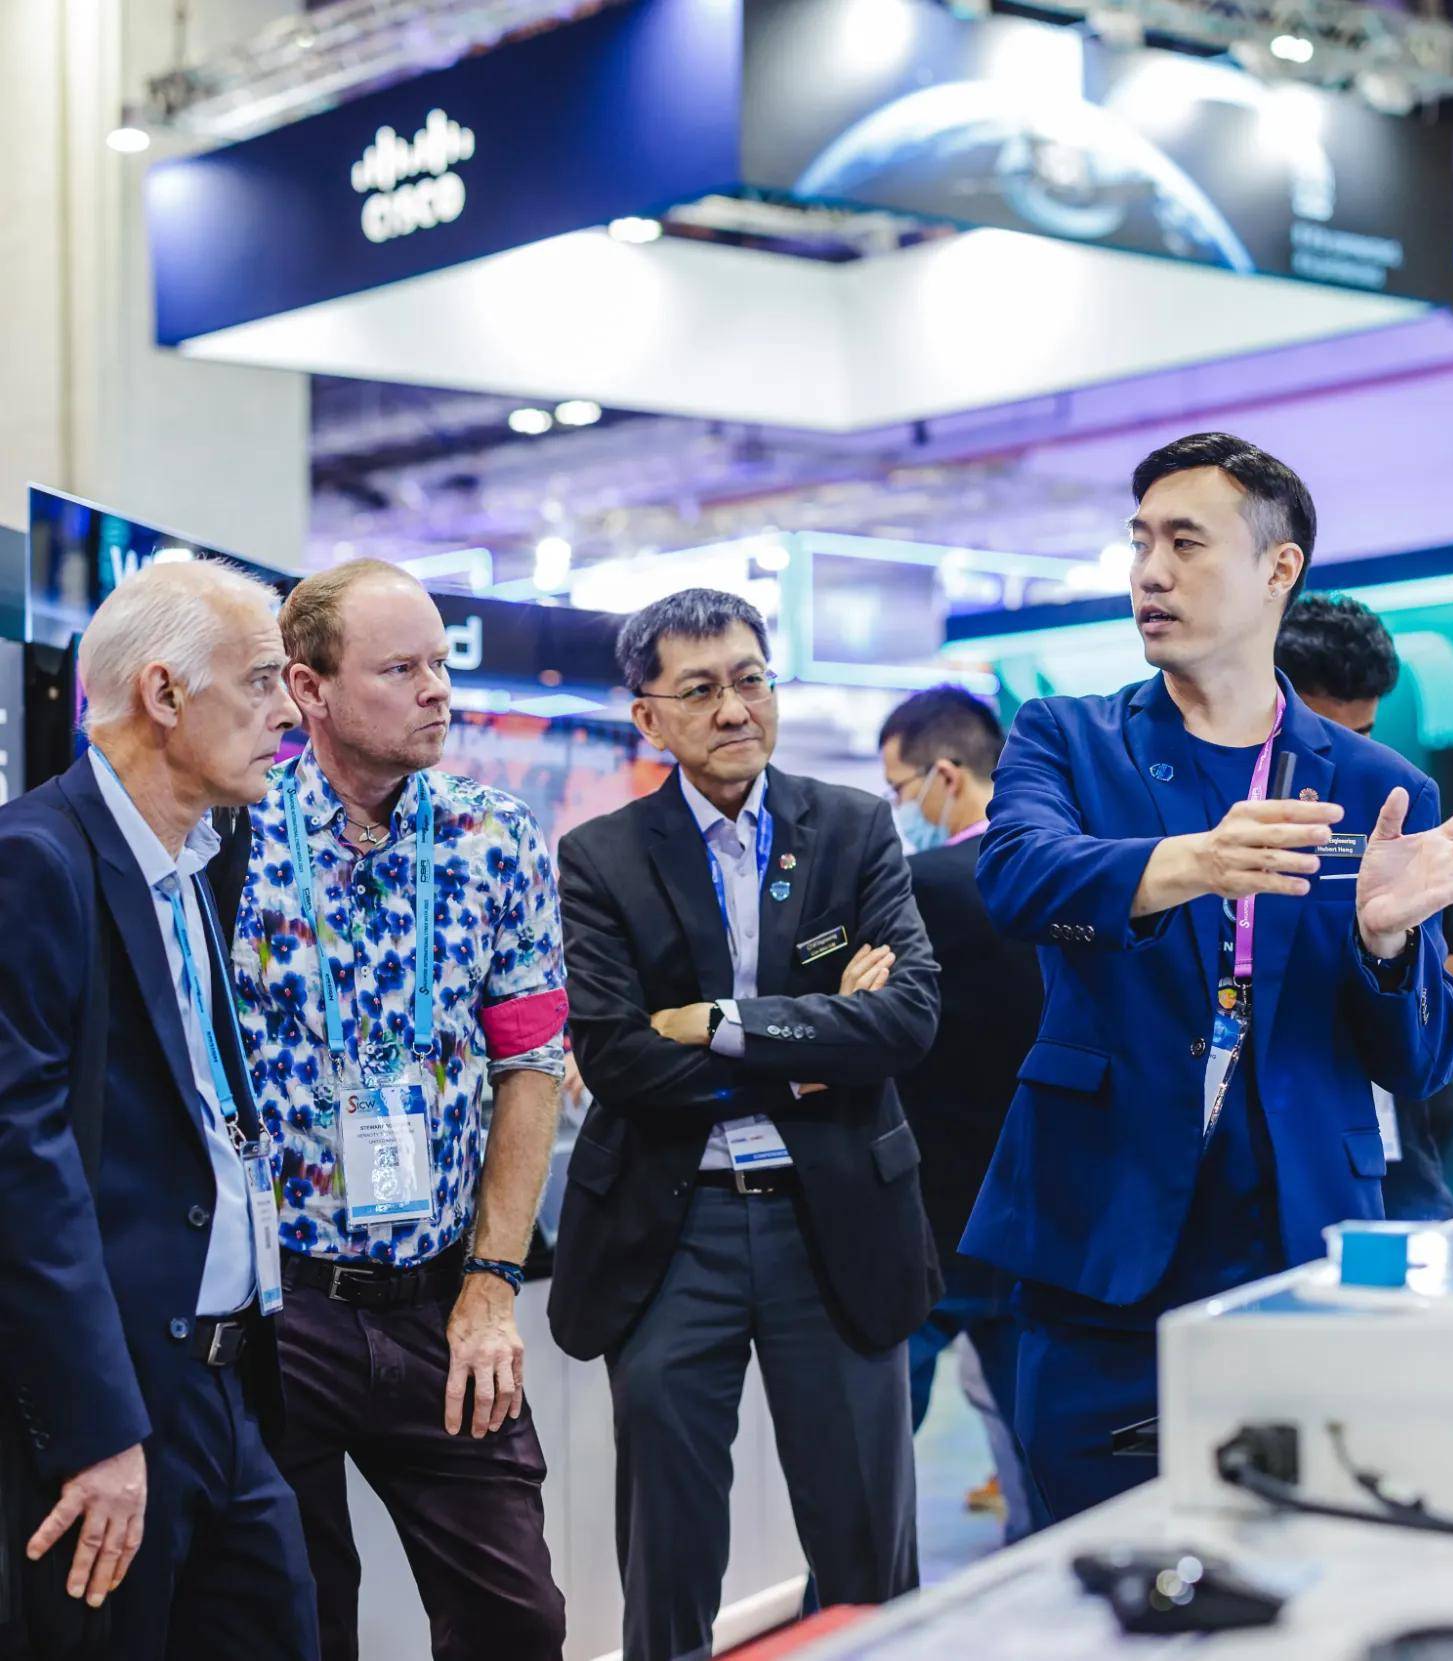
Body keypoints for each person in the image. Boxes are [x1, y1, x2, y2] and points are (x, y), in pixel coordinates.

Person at [964, 432, 1453, 1522]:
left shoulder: (1375, 783)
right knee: (1097, 1569)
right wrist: (1192, 863)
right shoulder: (1068, 739)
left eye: (1184, 541)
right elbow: (1015, 877)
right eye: (1138, 544)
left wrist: (1388, 947)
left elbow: (1417, 1061)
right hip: (1104, 1241)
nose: (1149, 572)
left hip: (1296, 1241)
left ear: (1278, 568)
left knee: (1303, 1563)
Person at [551, 590, 941, 1661]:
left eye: (750, 678)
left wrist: (727, 1024)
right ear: (650, 718)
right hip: (676, 1231)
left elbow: (906, 1017)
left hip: (838, 1224)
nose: (733, 708)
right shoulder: (601, 859)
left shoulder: (854, 827)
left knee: (866, 1546)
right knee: (668, 1556)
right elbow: (618, 1058)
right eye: (701, 688)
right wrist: (816, 1056)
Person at [225, 560, 570, 1660]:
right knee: (297, 1618)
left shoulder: (495, 839)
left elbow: (529, 1067)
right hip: (278, 1307)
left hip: (441, 1298)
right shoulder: (232, 843)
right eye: (401, 667)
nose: (437, 690)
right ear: (309, 687)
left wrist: (490, 1285)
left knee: (518, 1617)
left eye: (440, 663)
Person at [0, 560, 316, 1659]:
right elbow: (22, 1168)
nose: (289, 709)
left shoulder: (197, 862)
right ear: (166, 694)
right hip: (119, 1402)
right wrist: (97, 1431)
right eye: (264, 680)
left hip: (232, 1386)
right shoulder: (35, 860)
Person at [879, 686, 1043, 1542]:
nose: (900, 811)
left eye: (902, 791)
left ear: (946, 775)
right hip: (1034, 1218)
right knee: (1041, 1466)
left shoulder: (920, 886)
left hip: (926, 1224)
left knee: (866, 1478)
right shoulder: (1067, 878)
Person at [1275, 593, 1453, 1221]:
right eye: (1324, 736)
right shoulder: (1226, 836)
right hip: (1266, 1176)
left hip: (1394, 1180)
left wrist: (1410, 1000)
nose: (1348, 761)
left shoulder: (1404, 836)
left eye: (1364, 736)